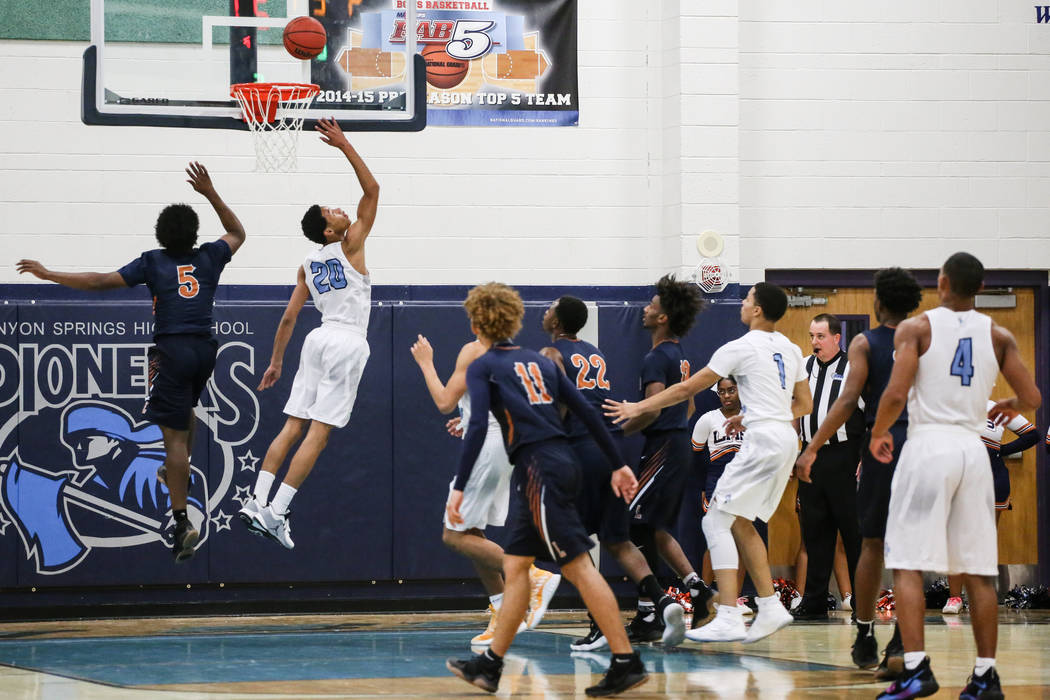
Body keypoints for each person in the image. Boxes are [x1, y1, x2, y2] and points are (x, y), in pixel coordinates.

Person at [17, 162, 246, 562]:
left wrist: (50, 273)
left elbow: (98, 281)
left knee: (171, 439)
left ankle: (180, 522)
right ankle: (177, 470)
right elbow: (238, 232)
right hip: (206, 350)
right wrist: (210, 192)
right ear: (193, 233)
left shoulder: (153, 262)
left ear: (161, 234)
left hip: (171, 350)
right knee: (186, 411)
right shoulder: (210, 256)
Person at [445, 283, 647, 697]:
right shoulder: (541, 362)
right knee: (517, 568)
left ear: (476, 321)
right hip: (558, 462)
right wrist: (619, 463)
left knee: (577, 568)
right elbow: (589, 413)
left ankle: (627, 662)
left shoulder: (485, 366)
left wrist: (460, 487)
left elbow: (479, 425)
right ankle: (490, 666)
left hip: (539, 469)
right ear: (514, 320)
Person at [869, 252, 1040, 699]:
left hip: (929, 444)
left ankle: (916, 670)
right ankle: (985, 675)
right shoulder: (999, 333)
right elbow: (1032, 396)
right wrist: (1011, 409)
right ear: (980, 288)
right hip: (973, 450)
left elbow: (895, 391)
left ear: (942, 283)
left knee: (907, 561)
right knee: (979, 571)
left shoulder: (917, 328)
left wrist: (880, 432)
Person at [606, 282, 812, 644]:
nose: (743, 304)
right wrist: (753, 416)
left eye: (748, 299)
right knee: (740, 522)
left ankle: (730, 613)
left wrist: (637, 407)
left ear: (759, 309)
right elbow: (804, 405)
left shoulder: (740, 347)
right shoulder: (792, 348)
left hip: (762, 440)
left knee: (716, 519)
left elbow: (687, 390)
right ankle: (770, 605)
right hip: (783, 439)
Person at [242, 119, 378, 549]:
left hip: (315, 341)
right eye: (332, 213)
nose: (340, 210)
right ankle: (277, 509)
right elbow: (372, 192)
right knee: (318, 434)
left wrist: (277, 361)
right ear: (330, 232)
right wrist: (344, 145)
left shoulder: (307, 263)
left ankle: (256, 499)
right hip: (347, 340)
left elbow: (288, 318)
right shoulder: (350, 244)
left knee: (291, 425)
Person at [538, 296, 687, 651]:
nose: (545, 312)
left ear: (557, 323)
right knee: (617, 539)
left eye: (550, 309)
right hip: (611, 450)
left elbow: (560, 405)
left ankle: (599, 624)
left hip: (579, 450)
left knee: (575, 544)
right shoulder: (596, 352)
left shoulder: (550, 353)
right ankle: (663, 602)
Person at [795, 267, 923, 673]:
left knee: (869, 542)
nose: (815, 341)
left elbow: (850, 400)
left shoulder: (867, 344)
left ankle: (866, 631)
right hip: (926, 449)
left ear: (878, 302)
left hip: (876, 447)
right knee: (910, 551)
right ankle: (905, 639)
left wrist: (811, 448)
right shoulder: (930, 340)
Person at [410, 333, 560, 645]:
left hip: (487, 449)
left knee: (454, 535)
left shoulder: (473, 349)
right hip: (504, 444)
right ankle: (505, 610)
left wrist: (426, 364)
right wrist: (467, 418)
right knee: (473, 533)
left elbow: (443, 401)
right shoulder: (517, 353)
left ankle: (534, 577)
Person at [618, 275, 706, 643]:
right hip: (677, 443)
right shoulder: (678, 353)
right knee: (654, 529)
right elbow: (688, 405)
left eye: (653, 305)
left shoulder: (656, 357)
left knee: (632, 527)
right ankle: (698, 590)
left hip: (664, 446)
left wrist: (614, 433)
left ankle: (651, 613)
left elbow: (652, 409)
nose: (646, 308)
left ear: (664, 317)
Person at [791, 313, 862, 621]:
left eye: (820, 336)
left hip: (845, 456)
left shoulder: (854, 369)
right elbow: (793, 409)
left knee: (853, 532)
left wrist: (865, 458)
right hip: (811, 457)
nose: (814, 342)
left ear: (836, 338)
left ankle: (863, 598)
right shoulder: (803, 367)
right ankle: (815, 599)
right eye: (811, 336)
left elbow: (869, 415)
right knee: (815, 531)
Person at [942, 399, 1039, 613]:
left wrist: (1003, 450)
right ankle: (955, 598)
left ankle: (979, 595)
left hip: (993, 478)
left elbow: (1033, 434)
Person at [692, 375, 766, 618]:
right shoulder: (707, 420)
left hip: (746, 484)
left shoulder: (751, 419)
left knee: (743, 537)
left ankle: (732, 598)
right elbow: (696, 456)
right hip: (717, 484)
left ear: (739, 391)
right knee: (715, 538)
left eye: (731, 390)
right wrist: (703, 487)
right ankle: (702, 596)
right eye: (722, 391)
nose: (726, 396)